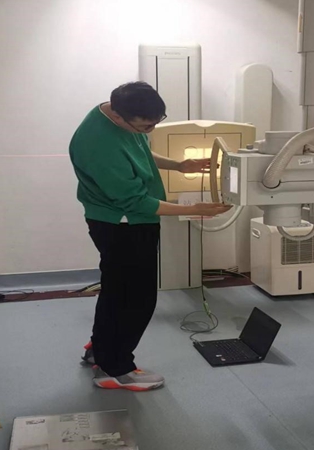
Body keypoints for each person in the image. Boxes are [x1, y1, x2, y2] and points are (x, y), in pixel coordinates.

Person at [69, 82, 232, 391]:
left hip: (124, 221)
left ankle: (101, 349)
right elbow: (135, 202)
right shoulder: (99, 145)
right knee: (137, 299)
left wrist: (179, 165)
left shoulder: (114, 113)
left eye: (156, 122)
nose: (151, 130)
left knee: (116, 291)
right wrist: (194, 209)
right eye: (146, 126)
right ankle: (114, 369)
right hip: (124, 225)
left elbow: (138, 149)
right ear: (119, 117)